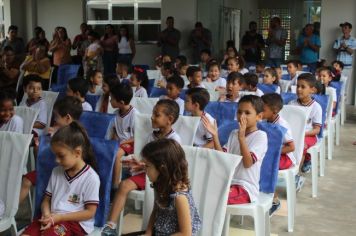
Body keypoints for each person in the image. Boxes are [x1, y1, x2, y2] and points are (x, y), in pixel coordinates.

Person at [101, 100, 182, 235]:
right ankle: (110, 225)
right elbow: (145, 158)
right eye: (153, 114)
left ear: (170, 120)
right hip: (147, 172)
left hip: (163, 177)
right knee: (124, 184)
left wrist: (143, 165)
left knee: (126, 183)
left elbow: (170, 164)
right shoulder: (151, 136)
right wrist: (138, 164)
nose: (152, 117)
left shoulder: (174, 139)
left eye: (157, 115)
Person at [21, 122, 100, 236]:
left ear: (77, 153)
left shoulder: (91, 178)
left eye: (61, 156)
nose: (57, 160)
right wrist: (47, 215)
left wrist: (59, 217)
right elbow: (46, 200)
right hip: (53, 217)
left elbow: (90, 213)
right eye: (55, 156)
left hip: (74, 223)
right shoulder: (56, 171)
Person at [203, 95, 267, 204]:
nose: (242, 116)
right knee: (201, 190)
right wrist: (215, 136)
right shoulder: (234, 133)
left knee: (215, 198)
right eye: (239, 112)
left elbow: (248, 163)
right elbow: (223, 159)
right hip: (228, 182)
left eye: (247, 113)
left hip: (246, 187)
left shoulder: (260, 136)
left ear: (259, 116)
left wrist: (241, 138)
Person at [19, 96, 83, 205]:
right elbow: (45, 157)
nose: (55, 120)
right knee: (27, 180)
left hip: (66, 173)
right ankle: (9, 212)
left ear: (67, 118)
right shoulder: (58, 131)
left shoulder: (75, 135)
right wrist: (41, 145)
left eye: (57, 117)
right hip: (50, 168)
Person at [143, 139, 201, 235]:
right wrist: (148, 233)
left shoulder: (179, 197)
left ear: (162, 169)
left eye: (147, 166)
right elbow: (155, 211)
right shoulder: (159, 185)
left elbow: (185, 234)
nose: (144, 169)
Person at [261, 93, 295, 215]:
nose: (260, 111)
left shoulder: (281, 125)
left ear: (274, 110)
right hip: (271, 155)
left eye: (263, 109)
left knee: (265, 166)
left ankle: (274, 200)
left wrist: (274, 151)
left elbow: (291, 147)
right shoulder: (264, 121)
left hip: (285, 157)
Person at [288, 73, 322, 191]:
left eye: (303, 87)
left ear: (312, 90)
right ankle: (289, 168)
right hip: (294, 134)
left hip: (308, 135)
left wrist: (302, 133)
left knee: (301, 145)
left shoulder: (316, 107)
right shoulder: (292, 104)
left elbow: (317, 130)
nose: (299, 89)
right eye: (298, 86)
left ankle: (296, 175)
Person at [107, 82, 137, 188]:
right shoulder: (115, 114)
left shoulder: (134, 115)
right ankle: (106, 180)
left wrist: (122, 142)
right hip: (119, 143)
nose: (110, 101)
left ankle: (115, 185)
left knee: (117, 153)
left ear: (121, 102)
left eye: (112, 99)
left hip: (130, 143)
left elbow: (136, 137)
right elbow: (112, 133)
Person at [333, 22, 356, 105]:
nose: (344, 29)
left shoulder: (353, 40)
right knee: (337, 85)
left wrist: (345, 46)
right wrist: (340, 47)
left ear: (350, 29)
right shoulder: (338, 39)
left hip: (347, 67)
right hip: (337, 67)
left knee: (345, 87)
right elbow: (335, 51)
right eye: (343, 27)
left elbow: (351, 52)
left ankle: (343, 106)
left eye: (346, 27)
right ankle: (337, 105)